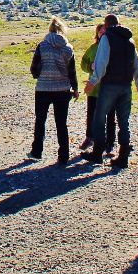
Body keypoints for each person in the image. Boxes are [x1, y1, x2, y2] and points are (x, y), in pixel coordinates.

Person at [82, 13, 138, 170]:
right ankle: (123, 157)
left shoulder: (107, 38)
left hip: (110, 84)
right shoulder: (130, 40)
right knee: (123, 122)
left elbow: (101, 63)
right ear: (119, 23)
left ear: (106, 25)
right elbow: (136, 66)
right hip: (126, 86)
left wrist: (93, 82)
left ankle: (97, 153)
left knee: (99, 117)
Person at [29, 16, 78, 164]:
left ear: (49, 30)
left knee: (40, 120)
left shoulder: (42, 46)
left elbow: (34, 68)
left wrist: (38, 74)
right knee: (61, 123)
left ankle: (37, 151)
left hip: (43, 88)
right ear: (62, 30)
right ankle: (64, 155)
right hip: (62, 89)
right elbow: (72, 72)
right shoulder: (68, 48)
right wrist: (75, 88)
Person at [79, 22, 117, 157]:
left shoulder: (113, 47)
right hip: (94, 88)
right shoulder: (93, 48)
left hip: (109, 88)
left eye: (104, 30)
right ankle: (90, 138)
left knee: (110, 116)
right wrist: (90, 66)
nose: (102, 33)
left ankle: (110, 142)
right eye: (100, 31)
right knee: (91, 115)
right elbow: (83, 64)